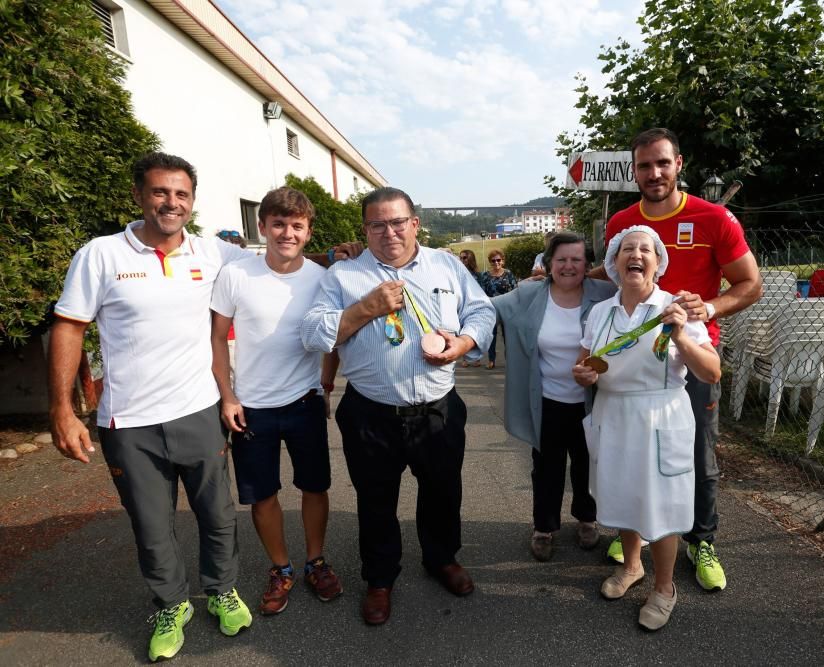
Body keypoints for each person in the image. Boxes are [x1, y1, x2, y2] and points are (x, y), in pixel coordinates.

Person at [48, 152, 254, 661]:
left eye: (181, 194)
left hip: (199, 410)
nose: (171, 202)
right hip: (128, 421)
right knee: (151, 524)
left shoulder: (214, 255)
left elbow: (273, 271)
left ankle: (222, 589)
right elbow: (69, 326)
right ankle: (170, 603)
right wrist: (63, 410)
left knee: (218, 514)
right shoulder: (99, 255)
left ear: (192, 202)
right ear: (139, 195)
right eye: (160, 192)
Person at [300, 186, 495, 626]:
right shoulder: (343, 277)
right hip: (371, 412)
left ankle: (441, 558)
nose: (388, 232)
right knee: (375, 500)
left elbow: (482, 313)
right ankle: (380, 578)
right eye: (377, 224)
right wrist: (366, 307)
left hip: (437, 408)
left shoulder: (446, 265)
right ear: (365, 230)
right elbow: (313, 334)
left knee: (443, 492)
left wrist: (461, 342)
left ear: (414, 224)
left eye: (397, 222)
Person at [596, 128, 762, 590]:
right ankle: (637, 532)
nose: (654, 173)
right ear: (634, 171)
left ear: (678, 164)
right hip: (636, 359)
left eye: (662, 164)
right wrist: (553, 278)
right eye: (645, 166)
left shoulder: (714, 218)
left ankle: (701, 539)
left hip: (691, 351)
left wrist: (708, 308)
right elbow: (609, 274)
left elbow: (751, 284)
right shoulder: (623, 223)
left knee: (695, 452)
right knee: (632, 448)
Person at [574, 226, 721, 631]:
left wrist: (682, 338)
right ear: (614, 263)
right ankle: (632, 566)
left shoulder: (674, 307)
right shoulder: (601, 312)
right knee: (622, 494)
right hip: (614, 414)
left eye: (646, 250)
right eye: (627, 249)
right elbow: (585, 364)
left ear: (657, 264)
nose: (636, 254)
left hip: (660, 417)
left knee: (659, 506)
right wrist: (584, 376)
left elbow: (711, 370)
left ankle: (664, 588)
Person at [209, 186, 342, 617]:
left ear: (308, 232)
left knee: (314, 486)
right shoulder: (237, 275)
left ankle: (315, 561)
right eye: (279, 224)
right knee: (262, 495)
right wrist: (227, 395)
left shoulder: (321, 278)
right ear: (263, 226)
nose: (287, 232)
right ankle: (280, 568)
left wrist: (325, 383)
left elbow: (332, 336)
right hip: (251, 407)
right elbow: (215, 337)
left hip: (303, 402)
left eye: (297, 226)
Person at [493, 232, 616, 561]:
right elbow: (484, 308)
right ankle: (544, 527)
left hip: (592, 401)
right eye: (561, 259)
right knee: (546, 467)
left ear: (588, 265)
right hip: (546, 401)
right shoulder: (529, 293)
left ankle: (587, 519)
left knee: (587, 464)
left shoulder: (605, 294)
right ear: (547, 264)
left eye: (577, 259)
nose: (568, 266)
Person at [479, 248, 518, 369]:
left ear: (502, 261)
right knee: (491, 335)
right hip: (491, 308)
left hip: (507, 308)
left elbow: (515, 290)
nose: (496, 263)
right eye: (493, 260)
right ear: (490, 262)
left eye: (498, 260)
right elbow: (481, 292)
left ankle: (510, 360)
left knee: (508, 336)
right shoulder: (485, 275)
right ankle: (491, 360)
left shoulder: (509, 274)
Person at [457, 249, 485, 367]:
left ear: (471, 259)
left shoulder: (478, 275)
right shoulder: (457, 273)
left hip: (474, 306)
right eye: (461, 258)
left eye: (465, 258)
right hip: (461, 306)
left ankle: (477, 358)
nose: (462, 260)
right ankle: (465, 358)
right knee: (462, 332)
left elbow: (482, 290)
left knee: (474, 331)